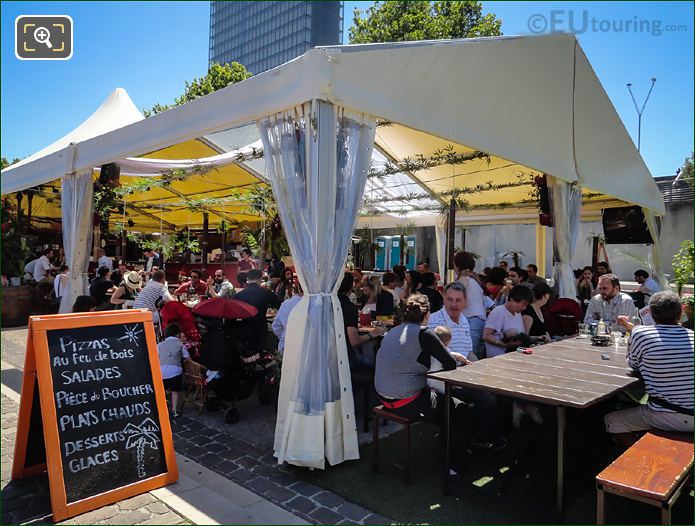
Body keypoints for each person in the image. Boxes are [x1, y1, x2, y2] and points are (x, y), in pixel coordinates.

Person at [605, 292, 693, 439]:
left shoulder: (641, 334)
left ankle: (638, 457)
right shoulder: (692, 335)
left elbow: (633, 364)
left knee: (612, 420)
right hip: (689, 412)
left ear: (650, 313)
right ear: (680, 314)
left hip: (668, 414)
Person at [337, 272, 384, 368]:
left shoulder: (325, 304)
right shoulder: (349, 307)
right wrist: (372, 334)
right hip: (346, 358)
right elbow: (354, 341)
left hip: (328, 355)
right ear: (351, 286)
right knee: (372, 359)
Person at [235, 268, 281, 350]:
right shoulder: (266, 293)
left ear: (247, 279)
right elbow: (279, 305)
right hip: (261, 328)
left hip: (244, 329)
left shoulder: (239, 295)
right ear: (260, 279)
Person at [483, 285, 534, 358]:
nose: (524, 308)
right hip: (498, 357)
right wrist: (504, 345)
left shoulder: (518, 314)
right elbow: (486, 336)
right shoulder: (498, 312)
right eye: (523, 304)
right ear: (513, 300)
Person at [453, 251, 488, 357]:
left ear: (458, 266)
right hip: (478, 321)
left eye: (454, 265)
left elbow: (458, 299)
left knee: (468, 355)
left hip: (469, 322)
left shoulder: (463, 280)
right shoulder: (475, 280)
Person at [428, 282, 474, 360]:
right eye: (450, 299)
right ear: (443, 299)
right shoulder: (433, 321)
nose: (453, 304)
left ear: (465, 301)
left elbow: (469, 353)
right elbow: (434, 355)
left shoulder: (464, 320)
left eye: (458, 300)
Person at [157, 323, 190, 418]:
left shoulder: (160, 345)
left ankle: (162, 409)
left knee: (162, 390)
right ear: (178, 334)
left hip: (161, 372)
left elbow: (156, 356)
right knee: (175, 391)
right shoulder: (180, 344)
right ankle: (174, 411)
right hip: (175, 371)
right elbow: (187, 357)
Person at [272, 283, 303, 354]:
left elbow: (276, 326)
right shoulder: (317, 304)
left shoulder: (287, 304)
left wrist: (283, 336)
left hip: (287, 344)